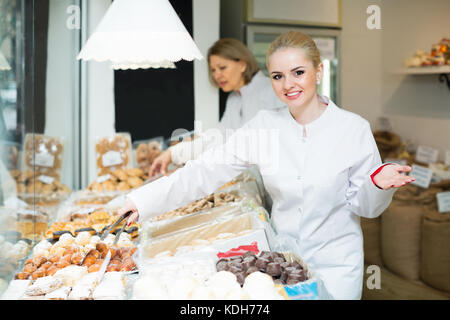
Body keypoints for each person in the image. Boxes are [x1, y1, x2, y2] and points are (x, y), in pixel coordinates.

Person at [119, 31, 415, 299]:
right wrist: (141, 201)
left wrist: (376, 185)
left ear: (319, 71)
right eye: (277, 76)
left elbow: (366, 207)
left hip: (337, 267)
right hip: (283, 266)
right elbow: (205, 170)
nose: (288, 85)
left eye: (298, 72)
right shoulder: (264, 127)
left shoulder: (353, 129)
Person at [149, 38, 283, 177]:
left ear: (242, 65)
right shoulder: (234, 99)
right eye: (213, 70)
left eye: (222, 67)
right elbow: (219, 139)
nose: (217, 75)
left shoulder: (271, 90)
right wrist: (174, 152)